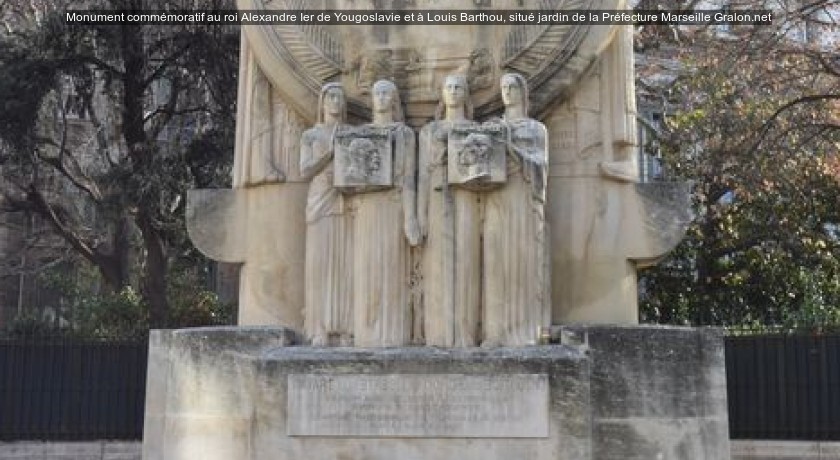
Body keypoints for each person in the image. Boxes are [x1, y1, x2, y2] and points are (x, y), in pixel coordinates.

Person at [482, 73, 550, 346]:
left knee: (521, 263)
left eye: (513, 87)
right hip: (496, 198)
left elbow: (540, 167)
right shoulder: (492, 127)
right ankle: (494, 332)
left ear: (523, 92)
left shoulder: (536, 129)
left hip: (522, 199)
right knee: (495, 263)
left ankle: (522, 333)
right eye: (504, 88)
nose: (508, 92)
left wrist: (511, 149)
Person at [352, 79, 419, 347]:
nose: (380, 97)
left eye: (386, 93)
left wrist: (411, 216)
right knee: (366, 269)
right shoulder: (360, 135)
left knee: (393, 268)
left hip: (393, 207)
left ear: (393, 100)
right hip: (367, 207)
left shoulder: (404, 134)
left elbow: (409, 179)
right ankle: (366, 333)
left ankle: (393, 333)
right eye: (376, 92)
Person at [418, 74, 481, 347]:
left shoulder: (476, 130)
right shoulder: (428, 131)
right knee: (436, 264)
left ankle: (466, 334)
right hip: (435, 194)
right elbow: (420, 175)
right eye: (449, 87)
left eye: (458, 87)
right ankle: (438, 334)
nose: (454, 92)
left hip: (466, 195)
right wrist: (419, 216)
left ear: (466, 94)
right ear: (442, 94)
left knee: (467, 260)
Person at [300, 83, 352, 346]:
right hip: (320, 200)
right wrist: (328, 155)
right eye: (330, 96)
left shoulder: (350, 133)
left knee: (344, 266)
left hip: (345, 201)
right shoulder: (312, 135)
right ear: (322, 102)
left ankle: (343, 327)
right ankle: (318, 327)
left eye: (339, 97)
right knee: (319, 267)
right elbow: (305, 170)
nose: (335, 101)